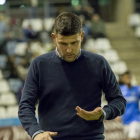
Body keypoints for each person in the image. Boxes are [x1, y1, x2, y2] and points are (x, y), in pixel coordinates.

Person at [18, 12, 126, 140]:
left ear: (82, 36)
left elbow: (119, 101)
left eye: (74, 43)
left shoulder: (99, 63)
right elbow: (25, 107)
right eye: (63, 44)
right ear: (54, 38)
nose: (69, 50)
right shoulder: (39, 65)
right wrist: (36, 132)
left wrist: (104, 113)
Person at [118, 71, 140, 140]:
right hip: (125, 119)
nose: (128, 79)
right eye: (126, 77)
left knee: (132, 137)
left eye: (129, 77)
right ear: (123, 79)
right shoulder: (120, 90)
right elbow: (117, 102)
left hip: (135, 119)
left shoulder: (137, 89)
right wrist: (117, 114)